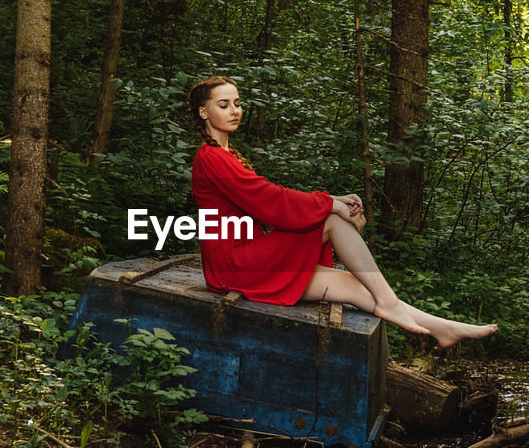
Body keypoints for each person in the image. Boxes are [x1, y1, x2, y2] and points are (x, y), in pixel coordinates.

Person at [188, 75, 498, 348]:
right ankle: (391, 304)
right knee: (333, 219)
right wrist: (331, 204)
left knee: (352, 283)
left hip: (247, 258)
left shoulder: (229, 155)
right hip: (234, 264)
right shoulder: (211, 158)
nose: (234, 111)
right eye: (224, 104)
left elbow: (266, 193)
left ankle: (441, 328)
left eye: (238, 103)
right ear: (204, 112)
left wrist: (331, 197)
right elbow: (269, 201)